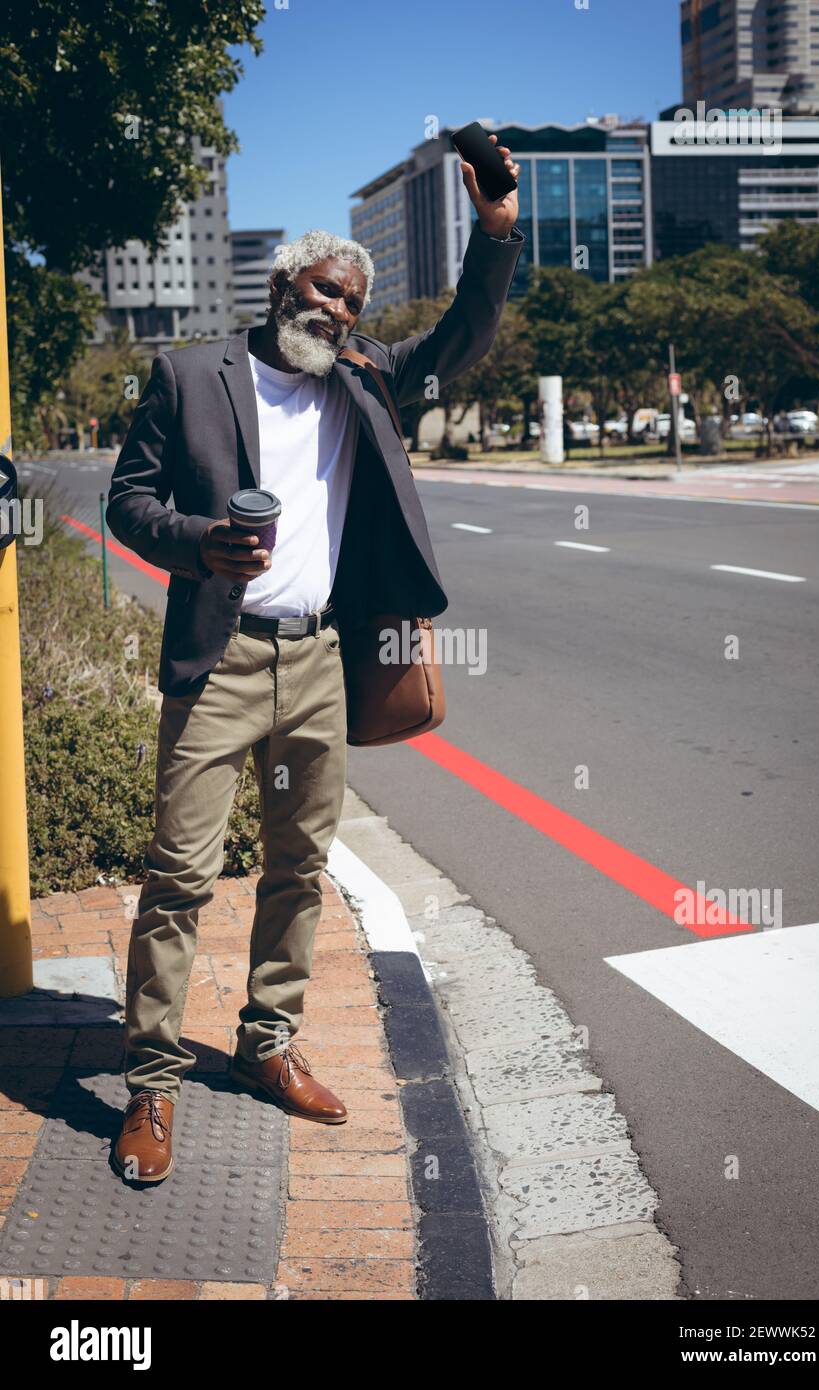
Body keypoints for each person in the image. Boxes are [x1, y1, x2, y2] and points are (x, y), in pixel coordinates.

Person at [105, 136, 524, 1182]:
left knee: (297, 868)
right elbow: (126, 501)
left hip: (317, 661)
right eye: (322, 290)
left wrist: (497, 229)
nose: (335, 312)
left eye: (350, 302)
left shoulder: (366, 377)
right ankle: (152, 1086)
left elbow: (466, 332)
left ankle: (266, 1044)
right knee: (179, 877)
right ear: (282, 282)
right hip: (221, 661)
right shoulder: (189, 373)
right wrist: (201, 543)